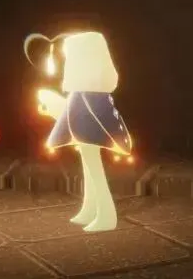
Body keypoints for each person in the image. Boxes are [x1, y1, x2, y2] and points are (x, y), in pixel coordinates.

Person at [29, 31, 132, 232]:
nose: (67, 61)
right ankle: (90, 208)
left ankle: (106, 215)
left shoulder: (89, 93)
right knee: (88, 166)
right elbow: (72, 114)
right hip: (85, 131)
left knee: (94, 169)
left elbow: (81, 114)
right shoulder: (83, 90)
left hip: (89, 132)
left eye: (70, 56)